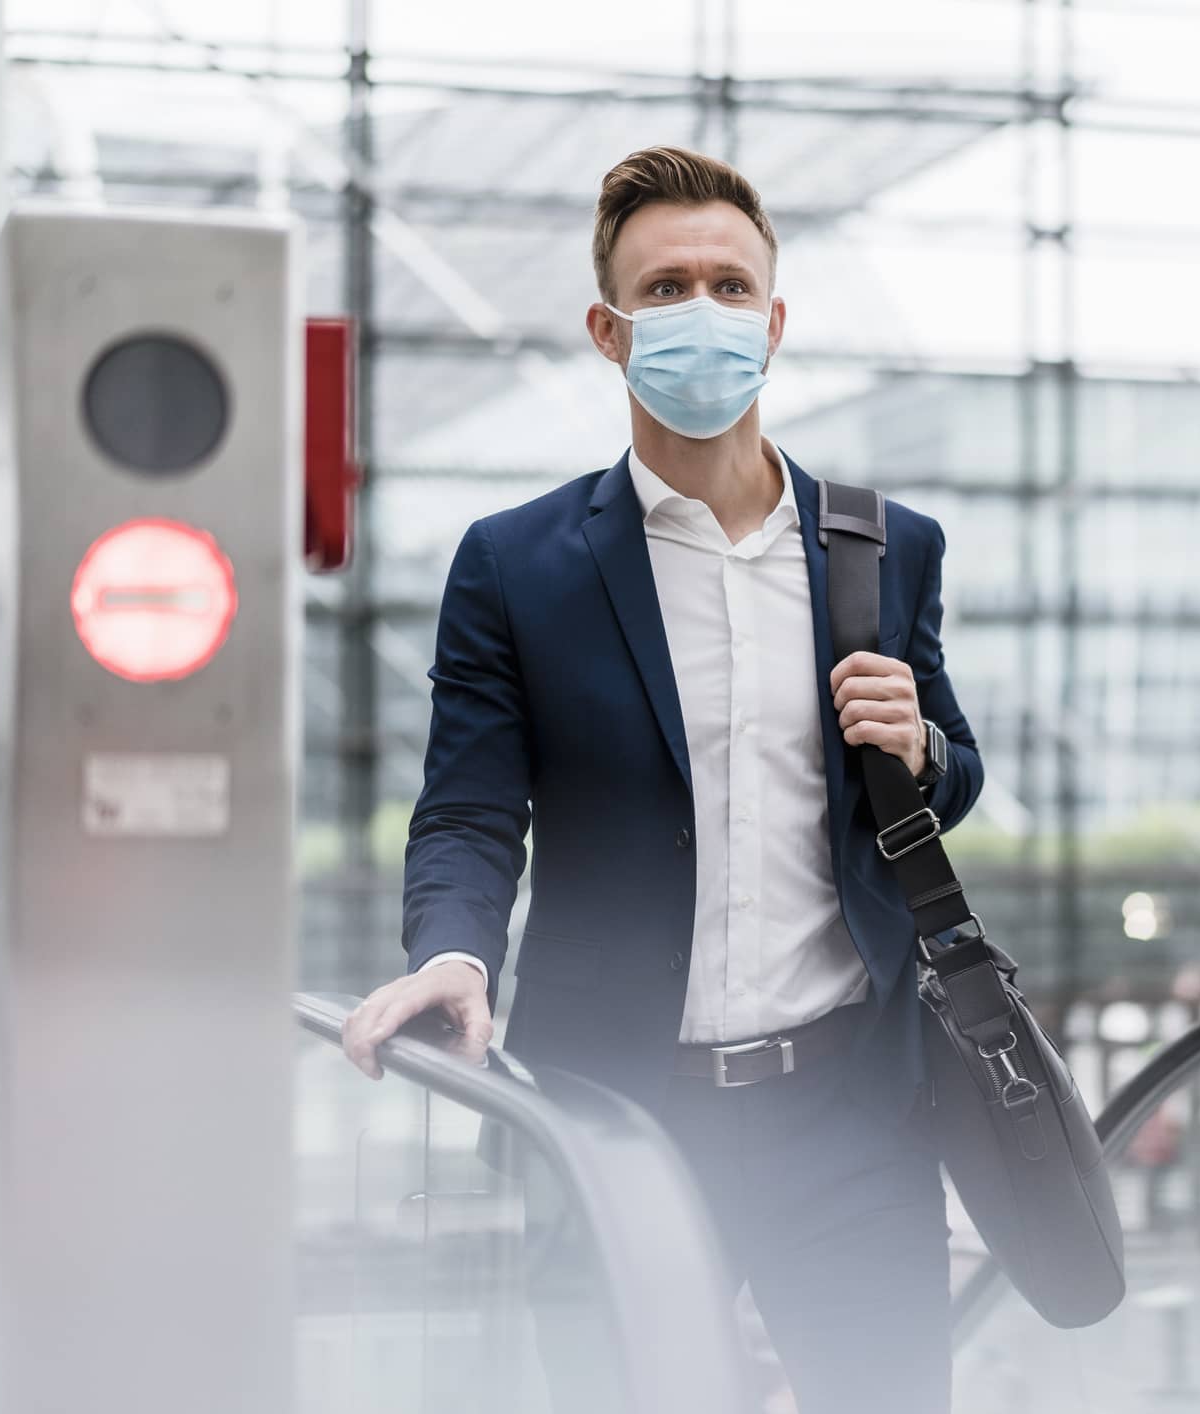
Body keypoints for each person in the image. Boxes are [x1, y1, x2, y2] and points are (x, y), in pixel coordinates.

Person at [339, 144, 985, 1413]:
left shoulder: (884, 547)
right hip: (614, 1111)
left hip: (851, 1109)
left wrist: (921, 748)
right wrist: (454, 954)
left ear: (776, 321)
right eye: (669, 286)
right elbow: (470, 809)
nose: (705, 312)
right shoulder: (517, 565)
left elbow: (949, 780)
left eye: (732, 286)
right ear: (609, 329)